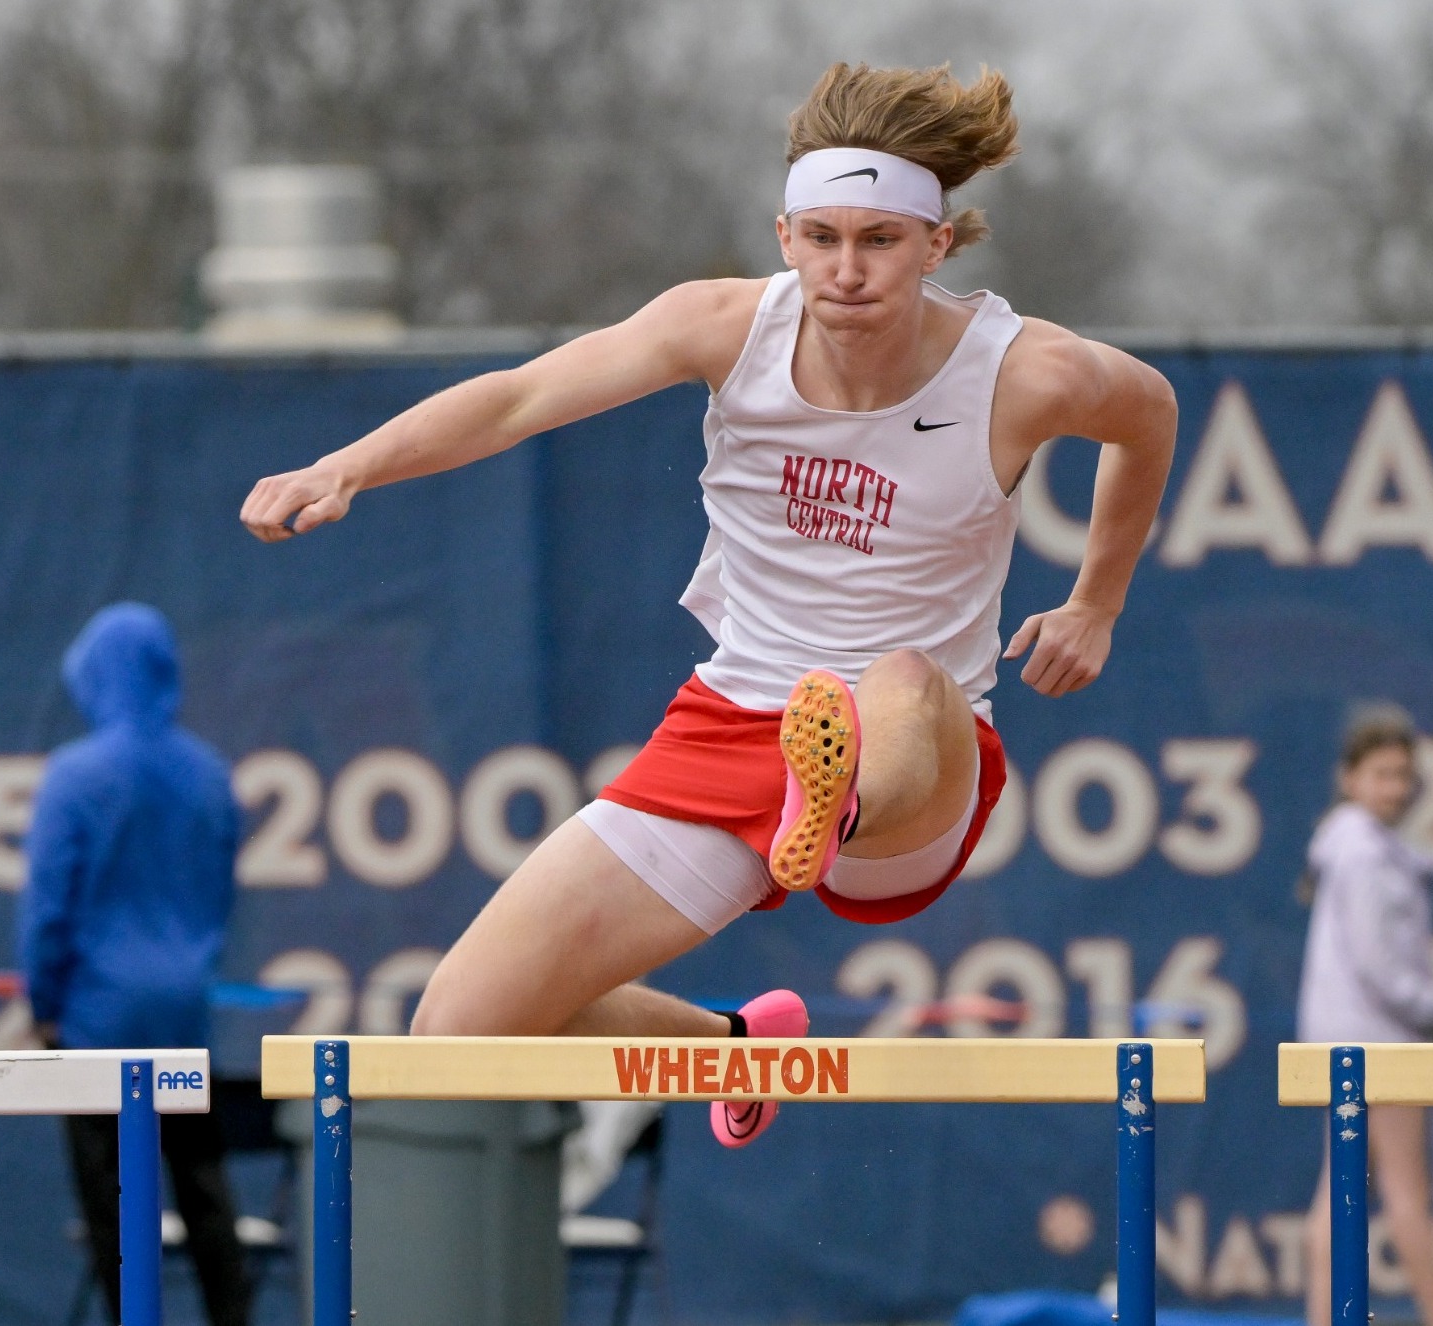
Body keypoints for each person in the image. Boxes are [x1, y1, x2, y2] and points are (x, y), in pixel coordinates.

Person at [240, 62, 1176, 1147]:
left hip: (920, 766)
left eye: (879, 241)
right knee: (458, 1028)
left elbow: (1147, 412)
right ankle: (737, 1047)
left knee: (899, 680)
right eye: (822, 237)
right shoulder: (724, 327)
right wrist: (349, 465)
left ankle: (834, 801)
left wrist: (1096, 602)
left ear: (938, 245)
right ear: (784, 238)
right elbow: (519, 398)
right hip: (736, 724)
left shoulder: (1022, 372)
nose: (848, 270)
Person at [20, 603, 249, 1326]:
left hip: (97, 1021)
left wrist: (45, 1005)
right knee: (205, 1191)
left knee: (112, 1205)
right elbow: (217, 897)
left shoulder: (73, 776)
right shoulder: (210, 774)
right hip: (184, 1017)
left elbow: (47, 909)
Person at [1297, 705, 1433, 1326]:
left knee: (1335, 1192)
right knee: (1405, 1191)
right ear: (1350, 779)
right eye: (1381, 774)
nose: (1395, 787)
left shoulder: (1359, 847)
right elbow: (1380, 966)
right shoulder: (1364, 854)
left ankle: (1322, 1318)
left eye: (1403, 774)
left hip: (1350, 1039)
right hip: (1377, 1043)